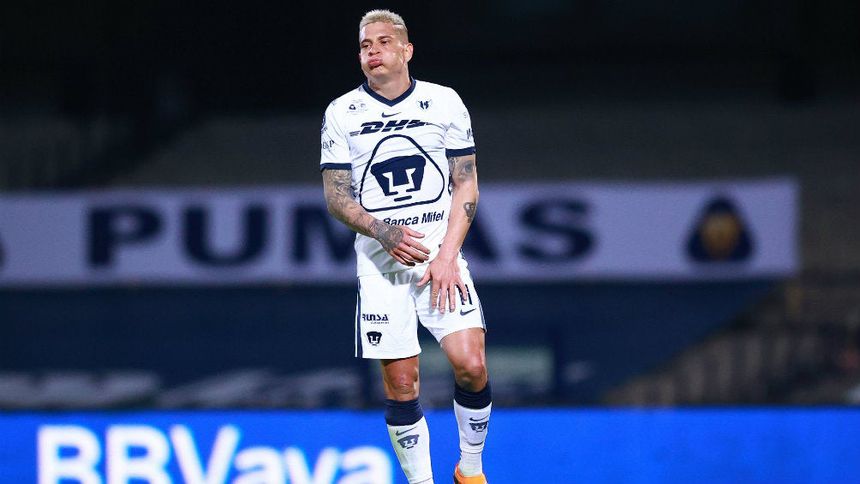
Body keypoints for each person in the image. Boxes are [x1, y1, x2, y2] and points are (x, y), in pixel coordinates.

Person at [320, 9, 491, 484]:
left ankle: (470, 471)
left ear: (406, 50)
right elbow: (336, 197)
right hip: (381, 265)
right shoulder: (342, 112)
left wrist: (448, 256)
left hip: (440, 257)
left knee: (472, 364)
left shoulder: (444, 102)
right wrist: (384, 232)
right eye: (364, 45)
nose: (372, 51)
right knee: (401, 384)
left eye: (382, 42)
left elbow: (466, 183)